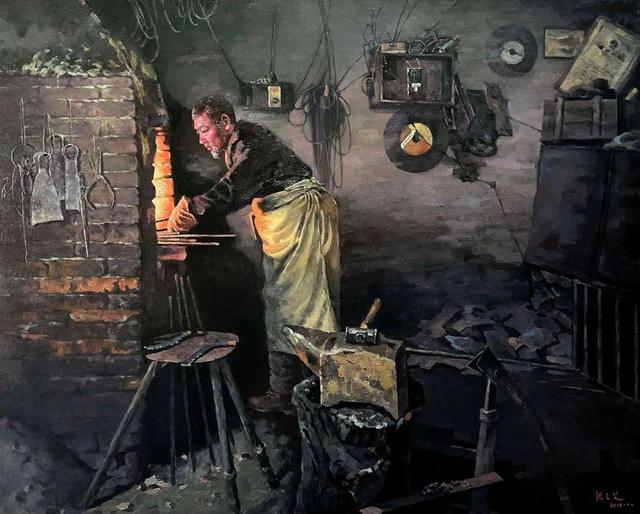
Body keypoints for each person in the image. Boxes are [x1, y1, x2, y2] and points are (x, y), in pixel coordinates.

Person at [168, 94, 340, 414]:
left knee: (305, 306)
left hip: (300, 218)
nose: (202, 139)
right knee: (285, 304)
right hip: (292, 221)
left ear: (224, 122)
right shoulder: (241, 142)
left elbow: (234, 186)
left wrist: (193, 207)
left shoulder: (252, 141)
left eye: (204, 130)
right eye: (198, 133)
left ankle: (317, 396)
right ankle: (293, 391)